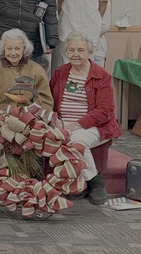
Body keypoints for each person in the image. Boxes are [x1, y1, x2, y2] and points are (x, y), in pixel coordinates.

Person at [50, 32, 119, 205]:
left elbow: (105, 110)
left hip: (94, 126)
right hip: (63, 123)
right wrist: (54, 118)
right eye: (71, 50)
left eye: (81, 50)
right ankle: (75, 183)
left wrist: (78, 124)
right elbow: (50, 100)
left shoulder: (102, 76)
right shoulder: (60, 72)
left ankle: (95, 182)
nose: (76, 54)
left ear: (89, 52)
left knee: (75, 143)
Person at [0, 29, 53, 124]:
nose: (13, 53)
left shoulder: (37, 69)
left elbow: (45, 101)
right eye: (9, 48)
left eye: (17, 48)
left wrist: (34, 118)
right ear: (3, 49)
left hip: (31, 120)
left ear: (24, 49)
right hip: (1, 120)